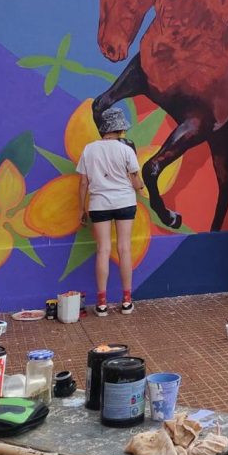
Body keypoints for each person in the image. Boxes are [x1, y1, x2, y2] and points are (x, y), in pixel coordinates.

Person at [77, 107, 144, 316]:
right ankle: (126, 301)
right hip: (125, 202)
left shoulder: (89, 150)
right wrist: (141, 185)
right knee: (124, 248)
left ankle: (102, 303)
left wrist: (81, 209)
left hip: (99, 204)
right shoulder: (126, 150)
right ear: (120, 129)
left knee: (103, 249)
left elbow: (83, 183)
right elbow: (136, 181)